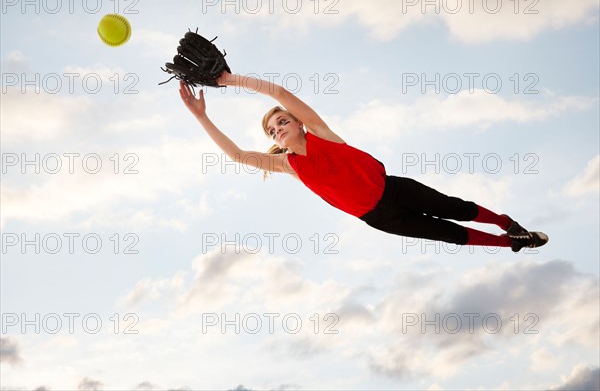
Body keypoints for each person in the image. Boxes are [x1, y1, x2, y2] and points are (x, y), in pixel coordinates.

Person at [178, 73, 548, 252]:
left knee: (456, 208)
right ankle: (513, 244)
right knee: (446, 234)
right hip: (379, 217)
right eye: (272, 130)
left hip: (394, 188)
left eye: (282, 121)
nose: (277, 130)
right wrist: (199, 116)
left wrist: (227, 80)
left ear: (298, 122)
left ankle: (506, 223)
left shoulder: (320, 133)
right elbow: (238, 156)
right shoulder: (288, 166)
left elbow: (277, 92)